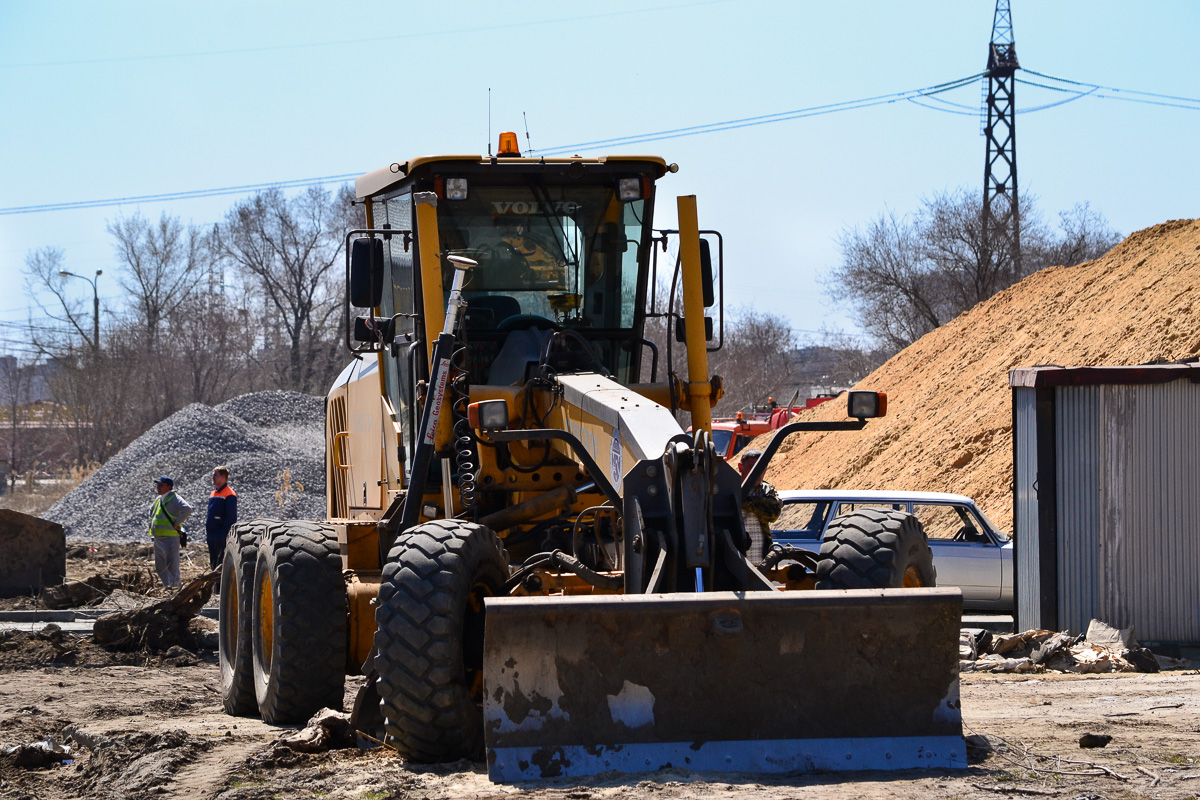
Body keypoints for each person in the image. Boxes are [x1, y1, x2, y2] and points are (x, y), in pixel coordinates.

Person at [148, 476, 192, 590]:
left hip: (170, 538)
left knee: (172, 566)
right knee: (160, 566)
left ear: (169, 487)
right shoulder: (159, 499)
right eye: (158, 484)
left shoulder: (174, 498)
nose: (158, 487)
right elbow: (152, 512)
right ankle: (167, 587)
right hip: (158, 538)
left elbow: (187, 509)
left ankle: (176, 589)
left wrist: (177, 523)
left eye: (161, 485)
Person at [737, 449, 782, 562]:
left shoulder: (767, 489)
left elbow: (773, 514)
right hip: (736, 556)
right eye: (751, 467)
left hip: (760, 557)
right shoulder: (730, 487)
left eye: (761, 468)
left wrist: (742, 500)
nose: (756, 472)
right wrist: (760, 503)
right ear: (740, 467)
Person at [206, 465, 238, 570]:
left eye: (215, 475)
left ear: (223, 477)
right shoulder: (213, 493)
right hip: (211, 534)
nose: (212, 477)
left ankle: (220, 586)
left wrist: (222, 533)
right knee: (213, 564)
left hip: (220, 536)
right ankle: (215, 586)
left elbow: (231, 517)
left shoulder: (230, 494)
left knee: (221, 565)